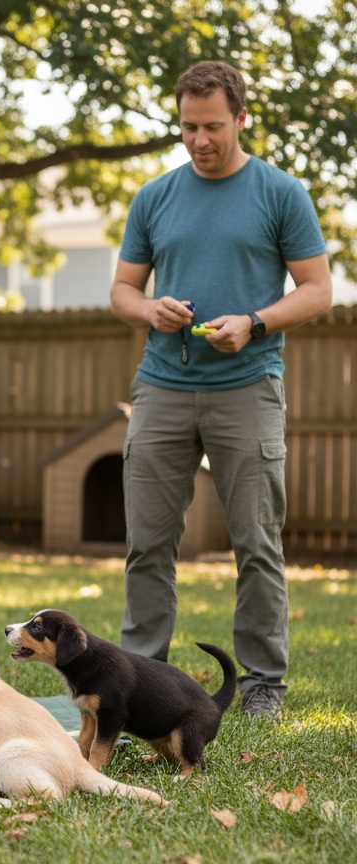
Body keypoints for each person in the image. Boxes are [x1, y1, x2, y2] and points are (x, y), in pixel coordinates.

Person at [110, 60, 332, 717]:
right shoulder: (155, 197)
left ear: (240, 118)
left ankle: (262, 685)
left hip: (247, 386)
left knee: (256, 544)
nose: (200, 140)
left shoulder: (280, 193)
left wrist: (254, 322)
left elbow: (318, 290)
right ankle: (140, 680)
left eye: (212, 127)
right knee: (147, 545)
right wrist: (150, 310)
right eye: (188, 127)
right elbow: (122, 290)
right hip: (162, 386)